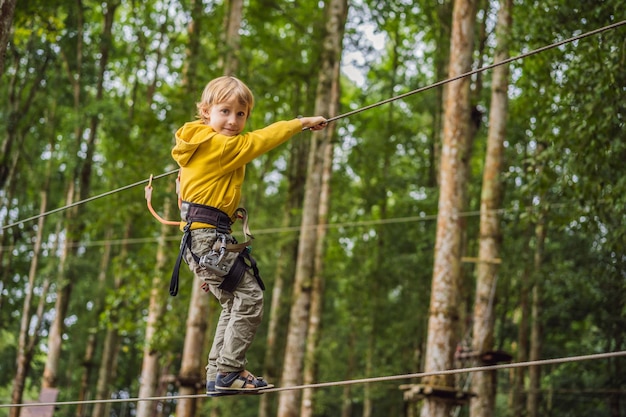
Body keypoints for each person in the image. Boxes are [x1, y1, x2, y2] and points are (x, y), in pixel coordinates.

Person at [171, 75, 327, 395]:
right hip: (207, 238)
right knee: (251, 296)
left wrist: (202, 264)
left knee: (233, 301)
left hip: (203, 239)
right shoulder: (217, 144)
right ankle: (228, 370)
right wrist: (300, 122)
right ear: (206, 111)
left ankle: (217, 372)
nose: (232, 121)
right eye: (225, 111)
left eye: (240, 114)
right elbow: (257, 142)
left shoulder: (198, 144)